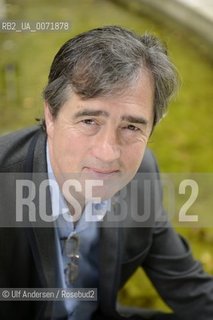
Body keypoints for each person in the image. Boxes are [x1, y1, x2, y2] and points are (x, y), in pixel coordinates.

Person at [0, 25, 212, 320]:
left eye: (131, 127)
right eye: (89, 121)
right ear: (51, 115)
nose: (108, 152)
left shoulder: (142, 174)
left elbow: (191, 289)